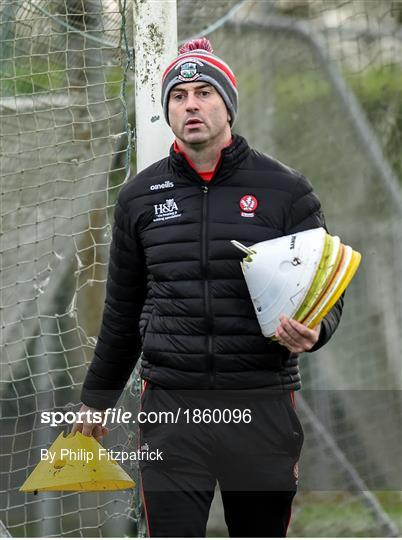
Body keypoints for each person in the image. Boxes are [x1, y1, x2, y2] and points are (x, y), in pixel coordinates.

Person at [73, 38, 343, 537]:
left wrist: (318, 328)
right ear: (167, 110)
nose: (191, 104)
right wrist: (97, 398)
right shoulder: (138, 197)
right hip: (173, 408)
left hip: (260, 405)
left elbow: (326, 287)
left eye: (204, 92)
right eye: (179, 95)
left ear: (228, 105)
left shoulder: (286, 190)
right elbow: (122, 311)